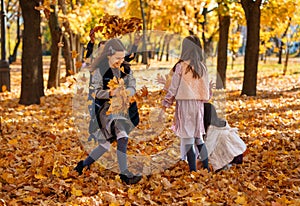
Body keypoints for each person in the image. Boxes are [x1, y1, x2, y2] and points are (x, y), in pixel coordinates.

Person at [75, 38, 142, 185]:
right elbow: (96, 92)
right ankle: (125, 175)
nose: (121, 60)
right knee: (120, 138)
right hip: (106, 110)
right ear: (108, 56)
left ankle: (82, 166)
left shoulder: (125, 68)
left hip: (123, 108)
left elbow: (133, 85)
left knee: (107, 144)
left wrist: (128, 92)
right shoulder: (100, 70)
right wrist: (111, 93)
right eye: (117, 58)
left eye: (122, 57)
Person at [161, 35, 210, 172]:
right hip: (198, 105)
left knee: (188, 138)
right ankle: (206, 169)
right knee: (198, 138)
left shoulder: (181, 66)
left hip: (185, 105)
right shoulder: (202, 67)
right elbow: (206, 89)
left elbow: (174, 87)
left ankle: (192, 170)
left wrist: (166, 102)